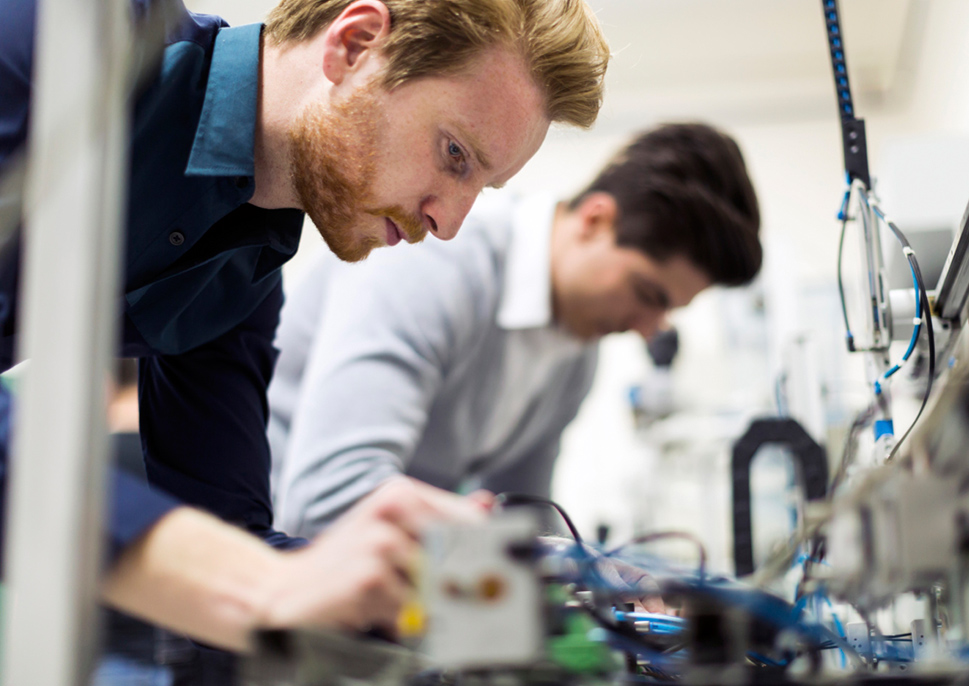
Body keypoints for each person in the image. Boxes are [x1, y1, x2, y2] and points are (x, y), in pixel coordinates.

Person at [0, 0, 609, 653]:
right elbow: (247, 578)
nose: (448, 222)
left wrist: (478, 586)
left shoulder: (243, 277)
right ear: (354, 44)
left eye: (479, 190)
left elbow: (231, 537)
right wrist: (251, 582)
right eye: (453, 154)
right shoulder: (61, 32)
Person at [269, 123, 763, 536]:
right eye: (649, 295)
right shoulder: (436, 259)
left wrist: (594, 575)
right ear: (595, 219)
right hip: (255, 574)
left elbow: (526, 515)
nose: (649, 329)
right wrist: (549, 562)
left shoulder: (575, 353)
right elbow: (327, 500)